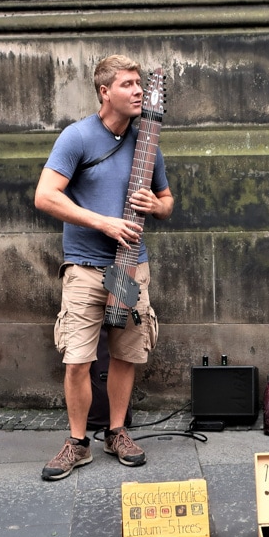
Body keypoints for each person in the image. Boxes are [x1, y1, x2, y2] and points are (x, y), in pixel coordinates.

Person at [35, 55, 174, 481]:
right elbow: (45, 196)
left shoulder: (147, 141)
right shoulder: (76, 137)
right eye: (128, 84)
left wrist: (157, 205)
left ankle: (117, 431)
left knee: (125, 354)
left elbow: (167, 202)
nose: (138, 91)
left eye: (139, 84)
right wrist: (103, 222)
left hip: (130, 269)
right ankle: (78, 443)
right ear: (104, 91)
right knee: (77, 359)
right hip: (85, 268)